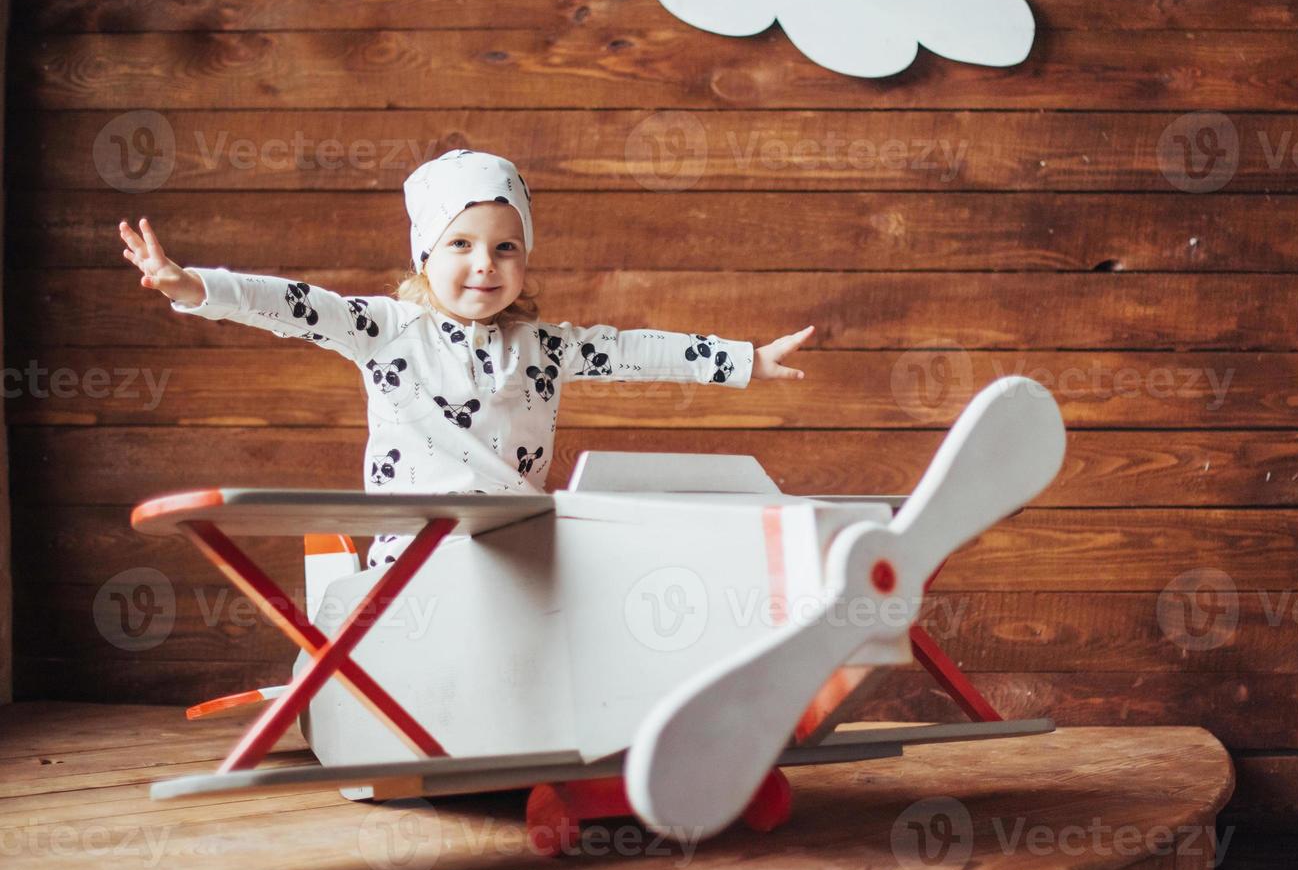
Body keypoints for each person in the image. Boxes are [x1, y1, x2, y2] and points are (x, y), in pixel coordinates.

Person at [120, 148, 815, 569]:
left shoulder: (542, 348)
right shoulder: (384, 328)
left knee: (596, 558)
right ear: (425, 252)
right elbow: (296, 304)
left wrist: (743, 360)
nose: (484, 265)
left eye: (505, 247)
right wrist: (196, 288)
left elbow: (633, 349)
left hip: (522, 541)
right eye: (461, 245)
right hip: (416, 546)